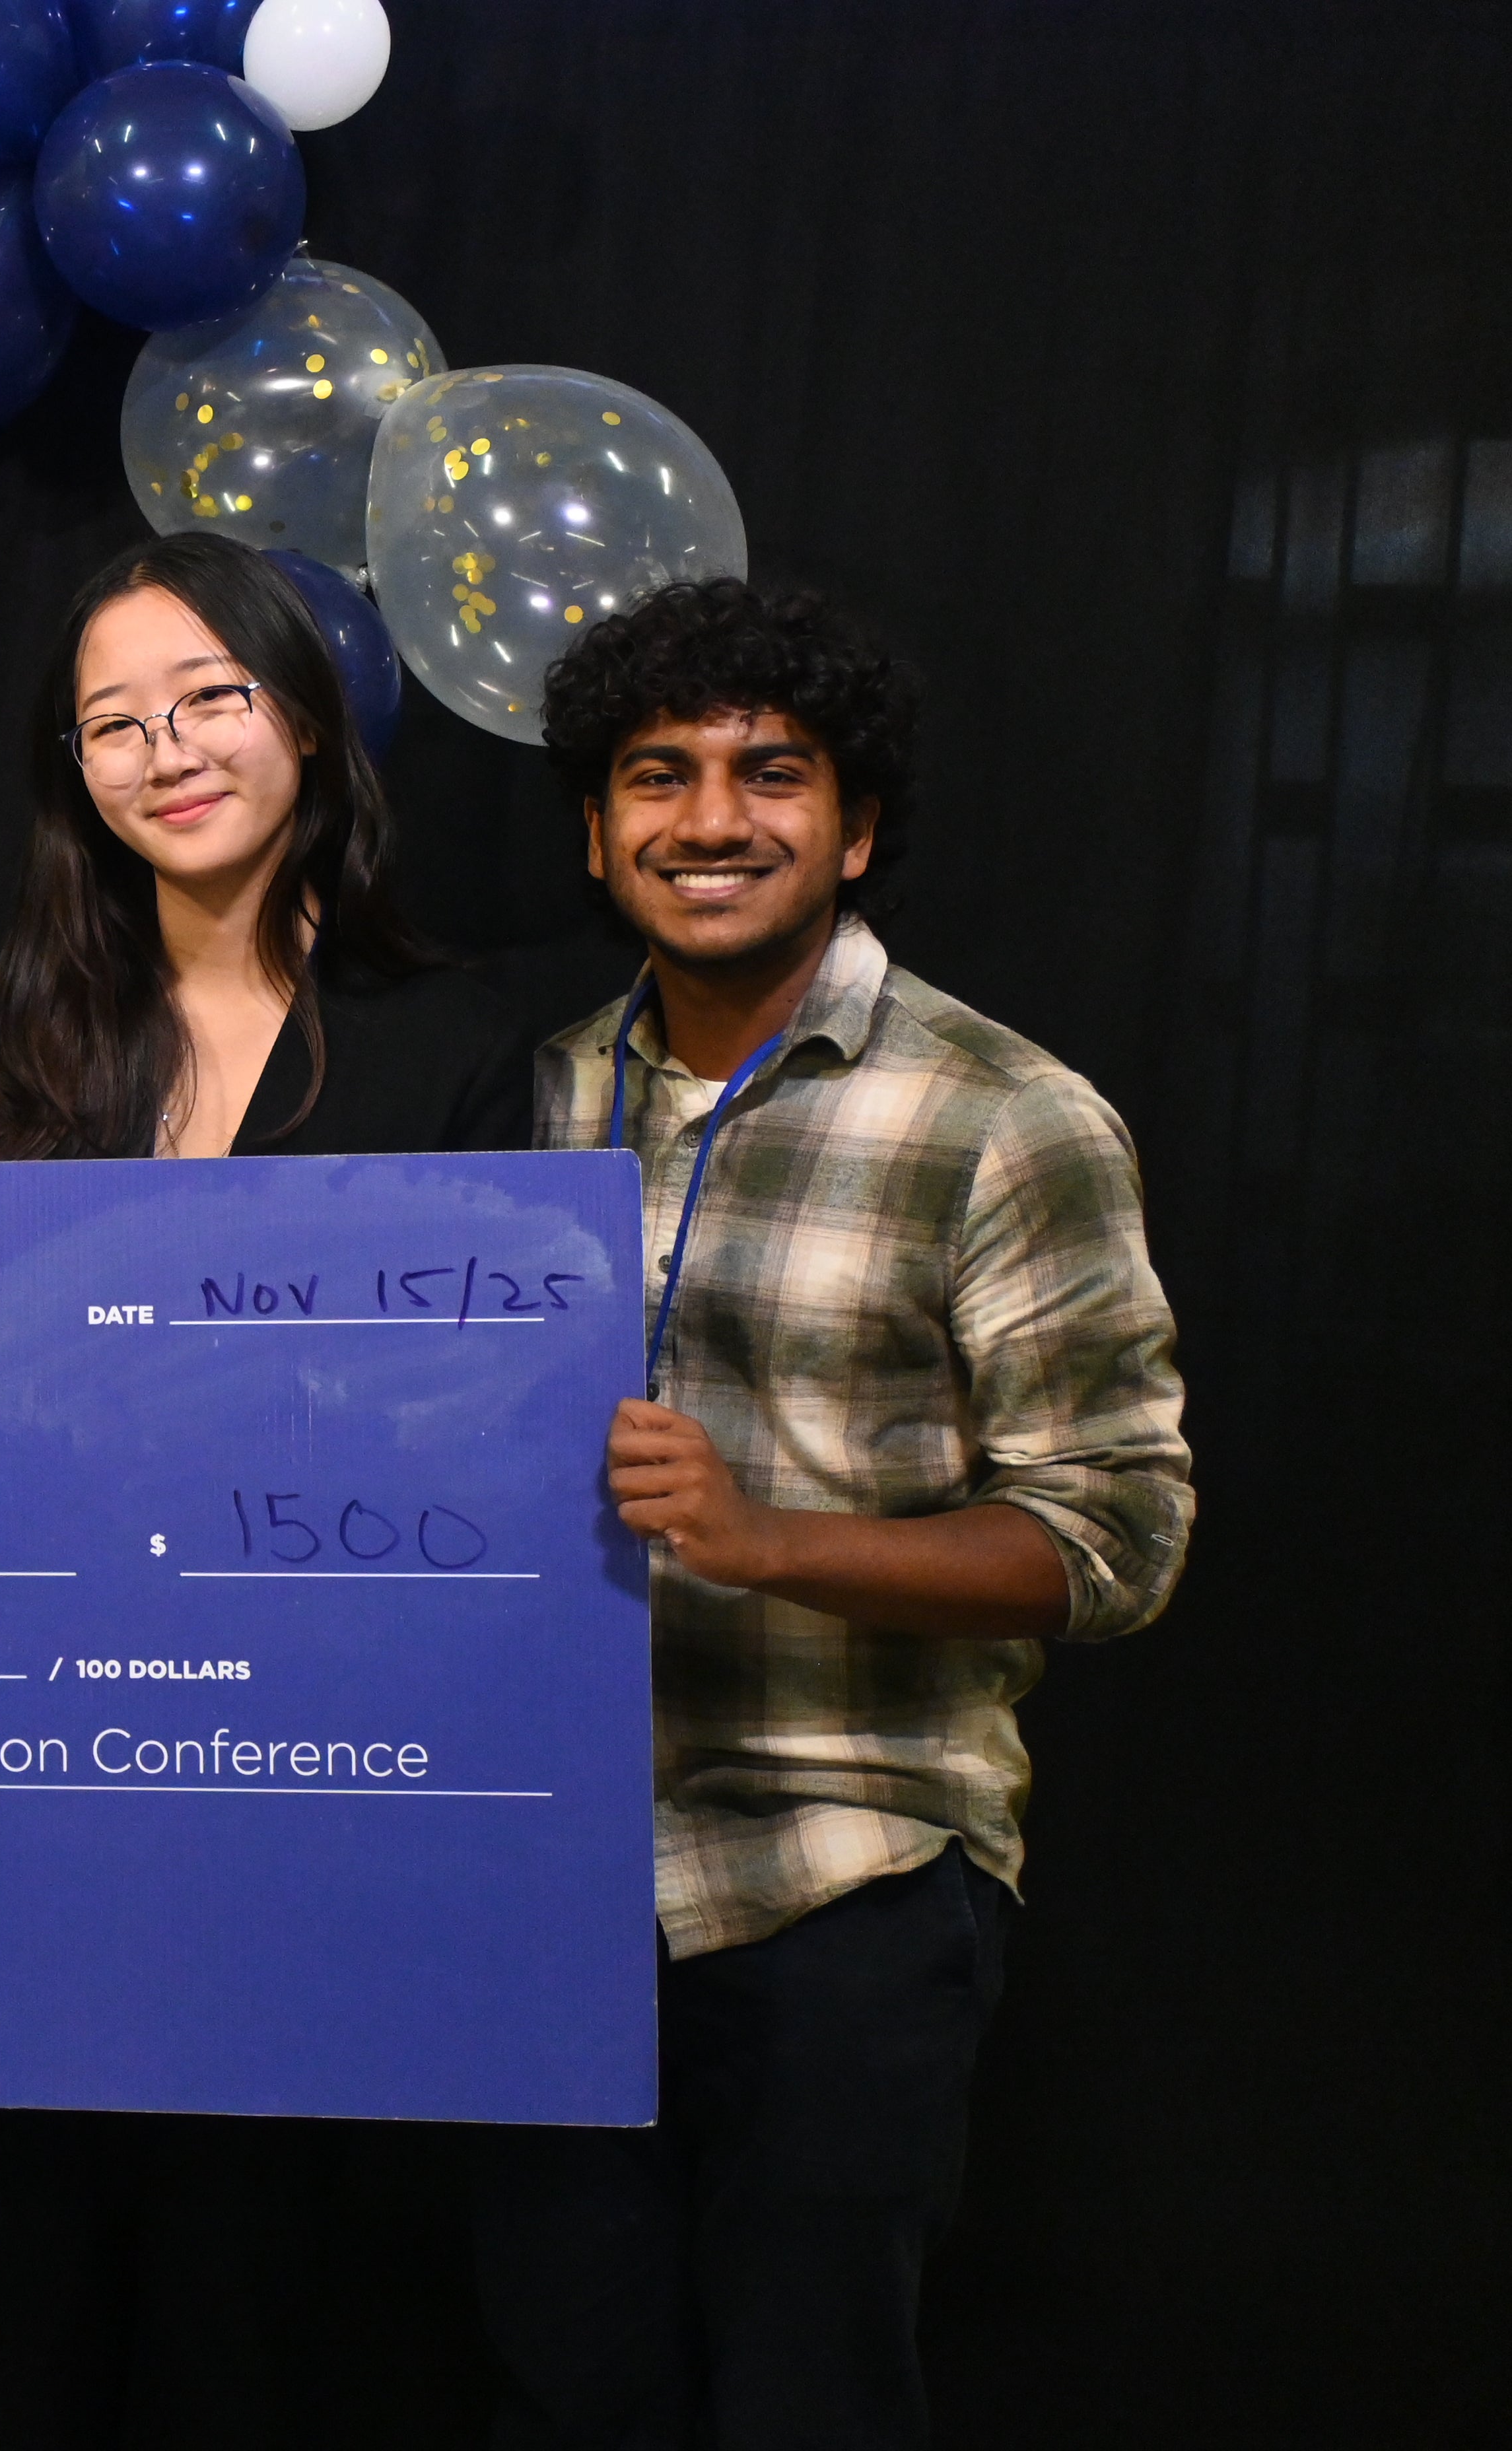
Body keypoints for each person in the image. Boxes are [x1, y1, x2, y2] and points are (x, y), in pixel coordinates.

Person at [473, 576, 1194, 2448]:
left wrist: (767, 1536)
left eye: (770, 773)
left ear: (855, 827)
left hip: (840, 1874)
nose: (710, 819)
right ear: (595, 833)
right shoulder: (534, 1094)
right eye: (659, 776)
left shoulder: (1006, 1116)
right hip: (543, 1891)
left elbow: (1117, 1541)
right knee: (572, 2395)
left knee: (809, 2404)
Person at [0, 529, 534, 2447]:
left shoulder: (457, 1043)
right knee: (5, 2318)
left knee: (255, 2326)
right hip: (27, 1807)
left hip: (316, 1813)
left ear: (310, 724)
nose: (164, 751)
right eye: (112, 722)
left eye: (210, 699)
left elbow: (480, 1424)